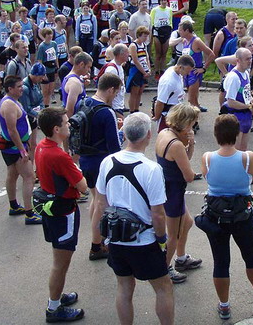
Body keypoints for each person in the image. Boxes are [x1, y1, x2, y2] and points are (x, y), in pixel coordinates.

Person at [94, 112, 175, 325]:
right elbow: (158, 213)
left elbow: (100, 204)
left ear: (125, 134)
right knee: (163, 286)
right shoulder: (152, 169)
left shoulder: (107, 162)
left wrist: (100, 237)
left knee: (124, 287)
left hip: (117, 237)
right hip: (144, 240)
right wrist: (161, 239)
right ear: (148, 135)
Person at [199, 114, 253, 320]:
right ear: (236, 134)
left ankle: (224, 305)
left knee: (220, 261)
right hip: (242, 216)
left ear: (216, 134)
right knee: (252, 257)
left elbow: (207, 177)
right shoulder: (247, 157)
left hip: (216, 217)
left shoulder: (207, 158)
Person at [34, 107, 87, 322]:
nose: (69, 125)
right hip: (64, 212)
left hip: (53, 209)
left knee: (60, 259)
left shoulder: (42, 147)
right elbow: (83, 186)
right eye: (66, 123)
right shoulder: (59, 156)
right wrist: (78, 170)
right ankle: (53, 307)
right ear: (56, 129)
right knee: (60, 262)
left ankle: (58, 295)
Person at [74, 73, 123, 261]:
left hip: (86, 159)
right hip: (101, 162)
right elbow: (114, 147)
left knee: (96, 200)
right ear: (110, 89)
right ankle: (96, 244)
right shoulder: (106, 112)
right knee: (102, 204)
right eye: (116, 92)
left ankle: (99, 239)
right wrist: (121, 132)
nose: (116, 96)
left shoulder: (84, 103)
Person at [154, 103, 201, 284]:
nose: (193, 127)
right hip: (174, 192)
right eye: (192, 123)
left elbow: (180, 163)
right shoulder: (176, 145)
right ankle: (165, 269)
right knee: (173, 235)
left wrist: (189, 144)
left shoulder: (164, 133)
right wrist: (190, 145)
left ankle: (181, 258)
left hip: (166, 188)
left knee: (187, 223)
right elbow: (188, 175)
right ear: (185, 123)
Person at [0, 76, 41, 225]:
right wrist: (23, 151)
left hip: (14, 147)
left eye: (22, 85)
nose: (22, 88)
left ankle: (14, 206)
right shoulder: (9, 104)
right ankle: (30, 214)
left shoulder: (12, 101)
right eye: (18, 86)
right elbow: (12, 130)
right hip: (16, 148)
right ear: (10, 88)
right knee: (29, 177)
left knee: (12, 174)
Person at [222, 48, 253, 151]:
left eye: (250, 58)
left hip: (246, 115)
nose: (250, 61)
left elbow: (247, 93)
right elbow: (231, 102)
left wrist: (252, 100)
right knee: (235, 150)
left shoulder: (246, 73)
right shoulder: (234, 77)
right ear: (238, 60)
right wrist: (248, 106)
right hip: (236, 116)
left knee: (243, 149)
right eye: (247, 59)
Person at [153, 55, 195, 132]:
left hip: (176, 112)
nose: (188, 74)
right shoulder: (168, 81)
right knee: (166, 138)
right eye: (187, 71)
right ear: (180, 67)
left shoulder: (177, 73)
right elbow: (160, 102)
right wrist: (157, 117)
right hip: (167, 115)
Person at [179, 20, 214, 109]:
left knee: (190, 99)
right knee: (193, 97)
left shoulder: (196, 41)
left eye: (181, 30)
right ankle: (197, 106)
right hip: (186, 72)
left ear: (187, 31)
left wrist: (204, 68)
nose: (179, 32)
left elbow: (211, 54)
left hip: (194, 72)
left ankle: (194, 118)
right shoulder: (185, 41)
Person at [127, 26, 151, 113]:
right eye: (144, 36)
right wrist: (144, 72)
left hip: (144, 69)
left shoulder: (144, 45)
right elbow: (135, 61)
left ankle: (137, 109)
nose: (146, 38)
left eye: (147, 36)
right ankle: (132, 111)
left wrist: (148, 70)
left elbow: (147, 57)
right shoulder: (133, 45)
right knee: (134, 92)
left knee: (140, 91)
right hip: (136, 70)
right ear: (139, 35)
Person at [150, 0, 173, 80]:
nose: (164, 2)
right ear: (159, 2)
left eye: (165, 0)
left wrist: (170, 29)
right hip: (157, 33)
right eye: (162, 0)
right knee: (158, 54)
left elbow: (170, 21)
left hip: (166, 33)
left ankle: (162, 71)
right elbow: (151, 22)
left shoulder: (169, 10)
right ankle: (156, 71)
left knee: (164, 54)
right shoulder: (155, 10)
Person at [36, 27, 59, 107]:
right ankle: (43, 106)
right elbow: (39, 60)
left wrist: (57, 67)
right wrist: (43, 73)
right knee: (45, 91)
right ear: (44, 35)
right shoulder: (42, 46)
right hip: (46, 69)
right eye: (48, 34)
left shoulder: (54, 44)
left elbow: (55, 56)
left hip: (52, 69)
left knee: (50, 90)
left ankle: (47, 105)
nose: (50, 36)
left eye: (51, 34)